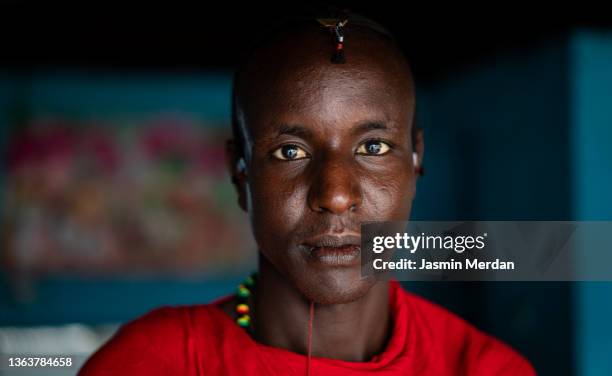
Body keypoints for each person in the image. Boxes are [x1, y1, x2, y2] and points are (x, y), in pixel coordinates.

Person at [79, 8, 536, 375]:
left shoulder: (485, 368)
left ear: (416, 160)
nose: (335, 196)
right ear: (240, 171)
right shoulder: (150, 363)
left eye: (372, 146)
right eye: (290, 152)